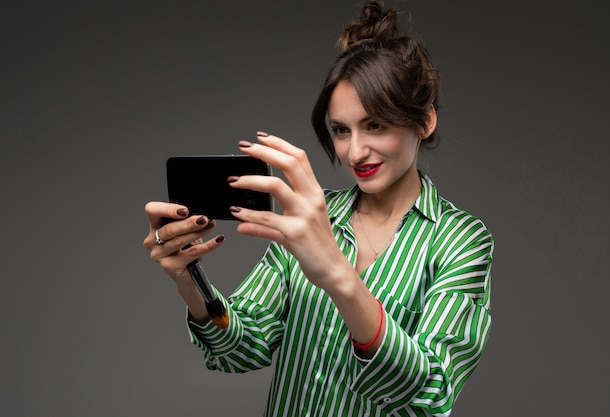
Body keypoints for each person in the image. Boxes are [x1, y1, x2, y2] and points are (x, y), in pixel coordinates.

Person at [144, 1, 493, 416]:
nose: (355, 151)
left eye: (376, 125)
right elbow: (240, 348)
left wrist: (339, 276)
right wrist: (190, 281)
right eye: (341, 130)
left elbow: (431, 394)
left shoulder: (461, 241)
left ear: (425, 121)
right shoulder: (311, 215)